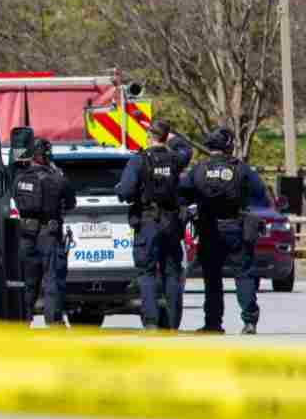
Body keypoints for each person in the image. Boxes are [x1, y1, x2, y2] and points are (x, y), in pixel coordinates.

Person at [180, 127, 269, 334]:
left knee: (212, 279)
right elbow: (261, 196)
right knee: (244, 275)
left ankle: (213, 324)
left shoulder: (199, 169)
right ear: (228, 146)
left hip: (210, 229)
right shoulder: (242, 169)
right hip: (236, 227)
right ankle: (249, 322)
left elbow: (183, 195)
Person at [115, 119, 193, 329]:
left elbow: (125, 192)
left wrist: (122, 190)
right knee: (172, 273)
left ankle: (151, 322)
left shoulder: (139, 160)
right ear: (166, 137)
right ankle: (173, 324)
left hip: (148, 222)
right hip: (171, 223)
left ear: (150, 137)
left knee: (147, 273)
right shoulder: (176, 159)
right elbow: (187, 148)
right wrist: (172, 138)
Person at [12, 137, 76, 326]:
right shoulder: (58, 178)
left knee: (27, 281)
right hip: (49, 235)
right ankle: (53, 322)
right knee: (52, 281)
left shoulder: (19, 177)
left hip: (25, 235)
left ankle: (23, 320)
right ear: (47, 155)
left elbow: (14, 198)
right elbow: (71, 203)